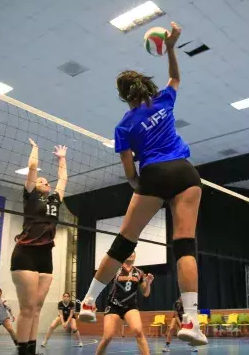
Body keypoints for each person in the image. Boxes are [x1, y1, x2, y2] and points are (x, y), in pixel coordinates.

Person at [78, 22, 208, 347]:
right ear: (145, 87)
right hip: (185, 172)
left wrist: (141, 188)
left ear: (124, 96)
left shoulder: (123, 126)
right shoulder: (163, 100)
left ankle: (89, 302)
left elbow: (129, 172)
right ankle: (191, 320)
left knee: (124, 244)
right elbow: (176, 78)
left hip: (153, 174)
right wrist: (173, 47)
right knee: (184, 246)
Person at [11, 138, 68, 355]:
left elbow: (63, 178)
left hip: (46, 255)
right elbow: (33, 168)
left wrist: (62, 159)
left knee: (37, 308)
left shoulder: (55, 199)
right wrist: (35, 149)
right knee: (27, 308)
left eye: (46, 180)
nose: (45, 181)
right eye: (41, 180)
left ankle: (32, 350)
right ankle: (22, 351)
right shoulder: (30, 196)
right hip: (25, 253)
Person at [96, 252, 154, 355]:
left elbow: (145, 293)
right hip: (114, 305)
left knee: (138, 331)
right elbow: (101, 280)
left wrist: (148, 283)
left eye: (133, 253)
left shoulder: (139, 273)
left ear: (135, 256)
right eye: (129, 252)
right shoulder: (115, 269)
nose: (130, 254)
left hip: (130, 307)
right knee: (107, 337)